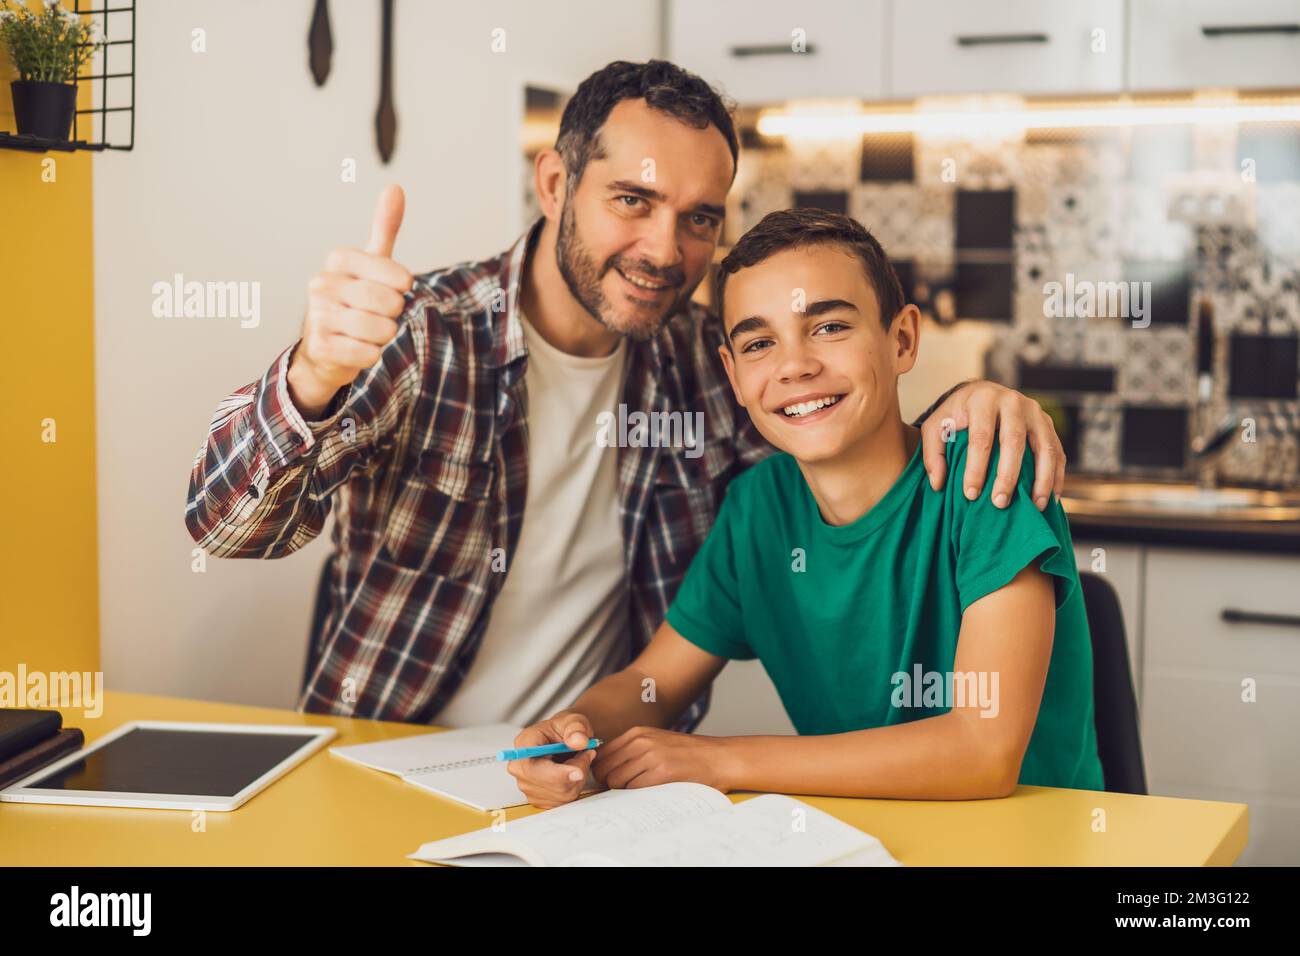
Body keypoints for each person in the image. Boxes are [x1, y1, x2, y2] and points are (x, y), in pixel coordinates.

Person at [186, 60, 1067, 728]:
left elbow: (843, 425)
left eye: (698, 217)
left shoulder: (704, 360)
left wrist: (978, 396)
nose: (663, 248)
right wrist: (313, 377)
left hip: (592, 778)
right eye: (633, 200)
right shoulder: (422, 335)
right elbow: (223, 526)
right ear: (556, 184)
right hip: (384, 754)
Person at [509, 208, 1103, 807]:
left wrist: (723, 759)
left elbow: (982, 752)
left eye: (829, 328)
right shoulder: (757, 509)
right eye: (760, 343)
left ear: (901, 340)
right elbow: (650, 683)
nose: (795, 365)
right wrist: (573, 731)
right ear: (734, 377)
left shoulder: (985, 469)